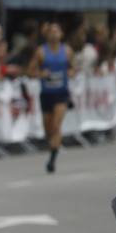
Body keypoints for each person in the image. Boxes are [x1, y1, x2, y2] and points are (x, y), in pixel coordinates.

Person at [30, 22, 74, 173]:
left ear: (61, 34)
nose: (54, 34)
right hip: (46, 94)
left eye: (57, 31)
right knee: (48, 130)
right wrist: (40, 74)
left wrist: (71, 73)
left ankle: (52, 161)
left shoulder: (67, 51)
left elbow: (73, 67)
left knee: (56, 126)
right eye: (51, 32)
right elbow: (30, 71)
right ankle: (53, 146)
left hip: (61, 93)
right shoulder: (41, 52)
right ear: (47, 35)